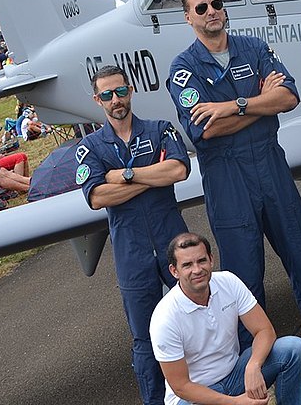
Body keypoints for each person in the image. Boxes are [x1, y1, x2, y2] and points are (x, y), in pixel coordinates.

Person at [168, 0, 301, 381]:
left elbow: (289, 98)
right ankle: (252, 373)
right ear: (189, 18)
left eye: (216, 4)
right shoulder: (183, 68)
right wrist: (260, 103)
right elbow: (204, 131)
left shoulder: (254, 49)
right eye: (201, 8)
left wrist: (233, 106)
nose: (211, 12)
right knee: (243, 282)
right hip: (227, 180)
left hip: (269, 167)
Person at [76, 65, 192, 405]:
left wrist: (123, 176)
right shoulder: (91, 147)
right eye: (108, 95)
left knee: (199, 313)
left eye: (121, 91)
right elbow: (97, 197)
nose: (117, 100)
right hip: (132, 251)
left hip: (173, 241)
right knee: (145, 338)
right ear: (98, 100)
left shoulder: (160, 129)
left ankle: (217, 389)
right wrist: (149, 177)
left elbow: (178, 170)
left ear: (131, 90)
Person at [150, 233, 301, 405]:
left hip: (235, 375)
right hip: (195, 396)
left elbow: (264, 330)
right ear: (174, 271)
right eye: (187, 265)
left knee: (294, 349)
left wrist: (253, 365)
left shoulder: (228, 281)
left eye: (201, 261)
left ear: (211, 260)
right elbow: (181, 386)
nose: (197, 270)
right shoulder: (165, 318)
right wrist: (234, 402)